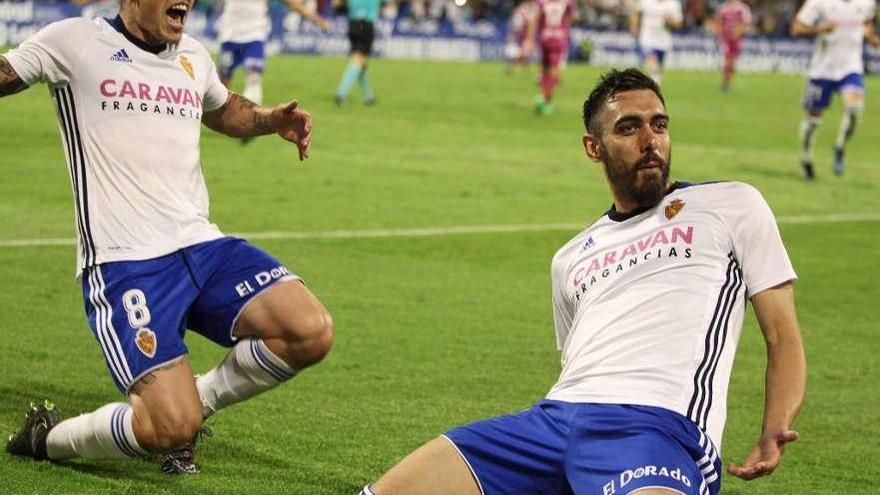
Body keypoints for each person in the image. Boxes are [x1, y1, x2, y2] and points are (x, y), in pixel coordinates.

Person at [356, 68, 806, 495]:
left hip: (656, 428)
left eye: (659, 124)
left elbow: (782, 335)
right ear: (594, 147)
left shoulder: (731, 204)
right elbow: (576, 365)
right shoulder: (570, 257)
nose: (651, 140)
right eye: (629, 128)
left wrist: (774, 426)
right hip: (551, 422)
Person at [2, 0, 333, 476]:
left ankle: (192, 403)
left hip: (201, 244)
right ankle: (47, 438)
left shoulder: (193, 55)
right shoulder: (75, 42)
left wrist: (268, 119)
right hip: (126, 262)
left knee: (310, 329)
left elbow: (222, 108)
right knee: (169, 429)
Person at [791, 0, 880, 179]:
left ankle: (840, 147)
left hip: (851, 68)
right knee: (814, 118)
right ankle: (806, 158)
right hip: (822, 70)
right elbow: (796, 29)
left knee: (855, 109)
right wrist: (820, 29)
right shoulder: (818, 3)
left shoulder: (866, 3)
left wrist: (872, 38)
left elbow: (867, 24)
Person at [218, 0, 330, 108]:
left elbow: (292, 3)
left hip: (254, 35)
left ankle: (248, 121)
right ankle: (218, 114)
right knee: (224, 82)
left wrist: (317, 20)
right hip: (230, 35)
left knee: (254, 79)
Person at [525, 0, 577, 116]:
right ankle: (547, 101)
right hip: (559, 38)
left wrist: (529, 39)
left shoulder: (541, 2)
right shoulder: (567, 3)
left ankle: (543, 96)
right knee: (553, 69)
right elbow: (573, 17)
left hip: (545, 37)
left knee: (544, 68)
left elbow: (534, 20)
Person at [333, 0, 388, 106]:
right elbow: (385, 3)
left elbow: (337, 4)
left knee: (361, 62)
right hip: (366, 24)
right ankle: (340, 94)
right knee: (359, 61)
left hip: (353, 24)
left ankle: (368, 97)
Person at [629, 0, 683, 85]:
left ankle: (654, 86)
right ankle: (654, 86)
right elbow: (635, 12)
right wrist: (634, 26)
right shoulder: (646, 1)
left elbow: (678, 23)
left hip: (663, 42)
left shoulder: (673, 3)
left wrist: (670, 21)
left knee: (657, 70)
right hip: (647, 39)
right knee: (653, 65)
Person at [713, 0, 752, 93]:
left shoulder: (743, 9)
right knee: (727, 60)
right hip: (726, 38)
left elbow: (747, 24)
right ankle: (725, 84)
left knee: (733, 63)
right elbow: (718, 22)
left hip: (737, 39)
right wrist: (719, 34)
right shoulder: (723, 8)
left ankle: (727, 79)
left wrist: (739, 31)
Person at [504, 0, 537, 74]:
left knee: (524, 53)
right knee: (523, 52)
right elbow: (526, 23)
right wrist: (529, 34)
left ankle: (525, 70)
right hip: (522, 34)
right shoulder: (524, 9)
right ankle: (510, 66)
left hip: (521, 33)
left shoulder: (521, 9)